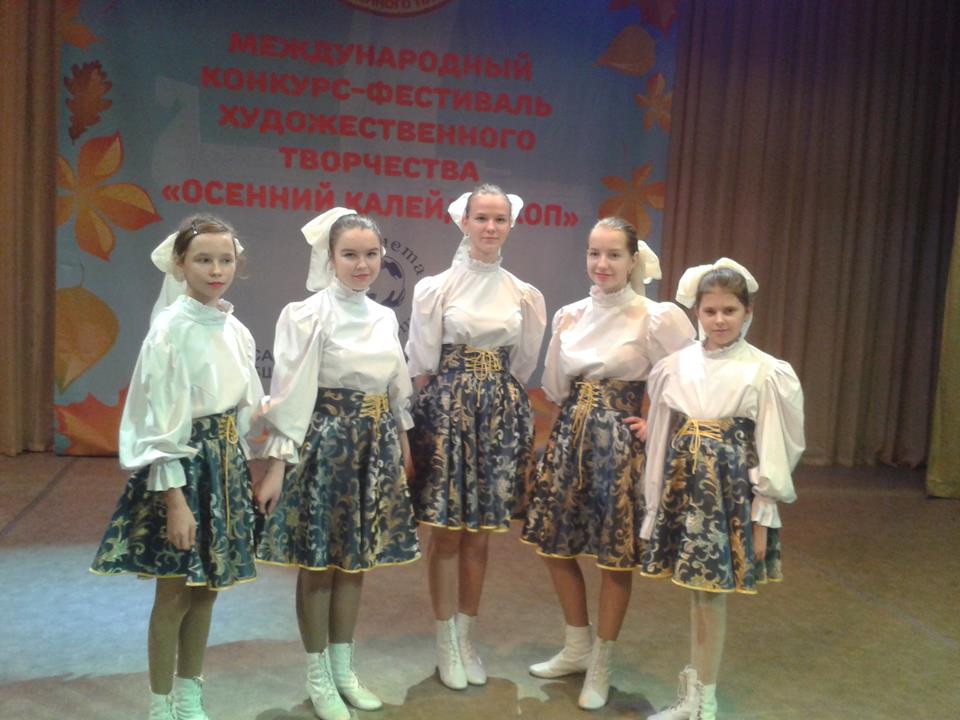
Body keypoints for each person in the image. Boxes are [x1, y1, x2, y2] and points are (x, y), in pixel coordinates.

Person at [91, 215, 263, 720]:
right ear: (181, 264)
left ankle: (190, 692)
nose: (216, 270)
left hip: (224, 468)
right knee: (173, 592)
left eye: (225, 260)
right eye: (204, 260)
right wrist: (175, 499)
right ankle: (160, 701)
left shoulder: (235, 330)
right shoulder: (170, 330)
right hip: (185, 470)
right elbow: (159, 421)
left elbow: (246, 409)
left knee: (208, 589)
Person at [521, 217, 695, 709]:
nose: (602, 263)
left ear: (632, 260)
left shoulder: (654, 316)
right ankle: (577, 644)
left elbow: (689, 376)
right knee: (554, 544)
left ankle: (602, 659)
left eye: (614, 254)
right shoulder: (570, 315)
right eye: (594, 253)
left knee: (614, 555)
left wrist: (657, 424)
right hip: (571, 435)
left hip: (620, 444)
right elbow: (556, 387)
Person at [255, 208, 420, 720]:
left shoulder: (383, 316)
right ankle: (317, 674)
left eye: (371, 254)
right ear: (329, 257)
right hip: (325, 446)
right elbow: (291, 394)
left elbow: (395, 386)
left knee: (355, 562)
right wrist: (277, 465)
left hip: (373, 445)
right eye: (350, 254)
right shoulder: (306, 314)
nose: (361, 264)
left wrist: (403, 444)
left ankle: (344, 668)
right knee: (318, 563)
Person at [640, 259, 805, 720]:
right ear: (697, 313)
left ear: (748, 312)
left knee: (710, 596)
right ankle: (694, 696)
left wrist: (762, 513)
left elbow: (775, 446)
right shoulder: (675, 367)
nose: (719, 320)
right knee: (698, 595)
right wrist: (654, 508)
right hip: (685, 490)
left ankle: (704, 702)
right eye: (710, 311)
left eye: (729, 310)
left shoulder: (764, 371)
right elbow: (659, 439)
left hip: (727, 495)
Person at [405, 184, 546, 689]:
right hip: (447, 413)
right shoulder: (436, 288)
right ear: (463, 221)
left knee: (482, 532)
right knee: (445, 531)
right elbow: (421, 364)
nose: (490, 227)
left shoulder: (523, 294)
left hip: (499, 414)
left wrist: (495, 398)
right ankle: (445, 638)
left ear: (511, 224)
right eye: (481, 217)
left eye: (499, 219)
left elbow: (523, 364)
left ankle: (467, 636)